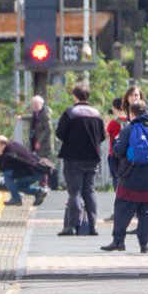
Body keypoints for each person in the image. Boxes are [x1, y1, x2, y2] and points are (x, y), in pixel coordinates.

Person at [102, 100, 148, 253]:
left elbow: (117, 150)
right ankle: (144, 245)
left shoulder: (128, 130)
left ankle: (118, 241)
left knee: (121, 210)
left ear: (132, 114)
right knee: (145, 212)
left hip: (129, 177)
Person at [55, 82, 106, 236]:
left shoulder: (70, 113)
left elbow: (60, 134)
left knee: (75, 192)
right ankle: (92, 226)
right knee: (89, 192)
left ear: (75, 96)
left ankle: (72, 226)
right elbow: (102, 136)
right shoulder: (97, 114)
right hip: (92, 159)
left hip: (73, 159)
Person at [122, 85, 148, 219]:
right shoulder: (127, 117)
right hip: (133, 159)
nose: (134, 97)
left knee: (147, 187)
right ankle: (143, 218)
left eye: (137, 95)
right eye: (132, 95)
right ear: (127, 97)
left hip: (147, 157)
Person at [0, 135, 47, 206]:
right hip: (37, 170)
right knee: (18, 186)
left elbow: (2, 169)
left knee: (7, 175)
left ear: (2, 145)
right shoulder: (13, 144)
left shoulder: (8, 154)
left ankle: (16, 199)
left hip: (33, 172)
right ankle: (38, 192)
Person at [29, 95, 55, 189]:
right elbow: (33, 122)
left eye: (36, 103)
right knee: (38, 162)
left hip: (44, 144)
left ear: (41, 103)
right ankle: (41, 182)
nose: (35, 105)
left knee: (43, 163)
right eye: (33, 104)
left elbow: (48, 129)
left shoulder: (45, 113)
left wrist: (39, 142)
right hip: (36, 141)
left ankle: (43, 184)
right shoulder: (36, 113)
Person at [105, 97, 128, 188]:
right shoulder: (129, 121)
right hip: (126, 154)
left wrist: (106, 123)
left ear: (114, 108)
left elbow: (105, 136)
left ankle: (118, 197)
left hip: (114, 154)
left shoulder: (113, 122)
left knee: (116, 178)